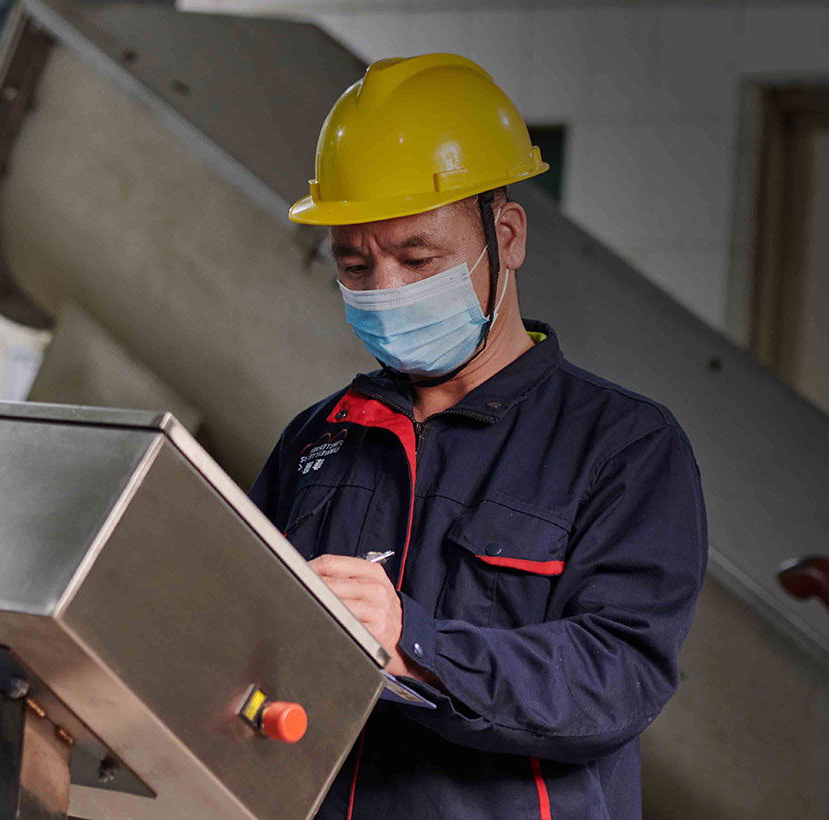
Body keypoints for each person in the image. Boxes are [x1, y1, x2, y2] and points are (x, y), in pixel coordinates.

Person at [248, 53, 708, 820]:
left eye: (417, 258)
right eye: (356, 265)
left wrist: (414, 642)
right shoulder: (319, 439)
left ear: (509, 236)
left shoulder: (624, 447)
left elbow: (617, 677)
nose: (386, 290)